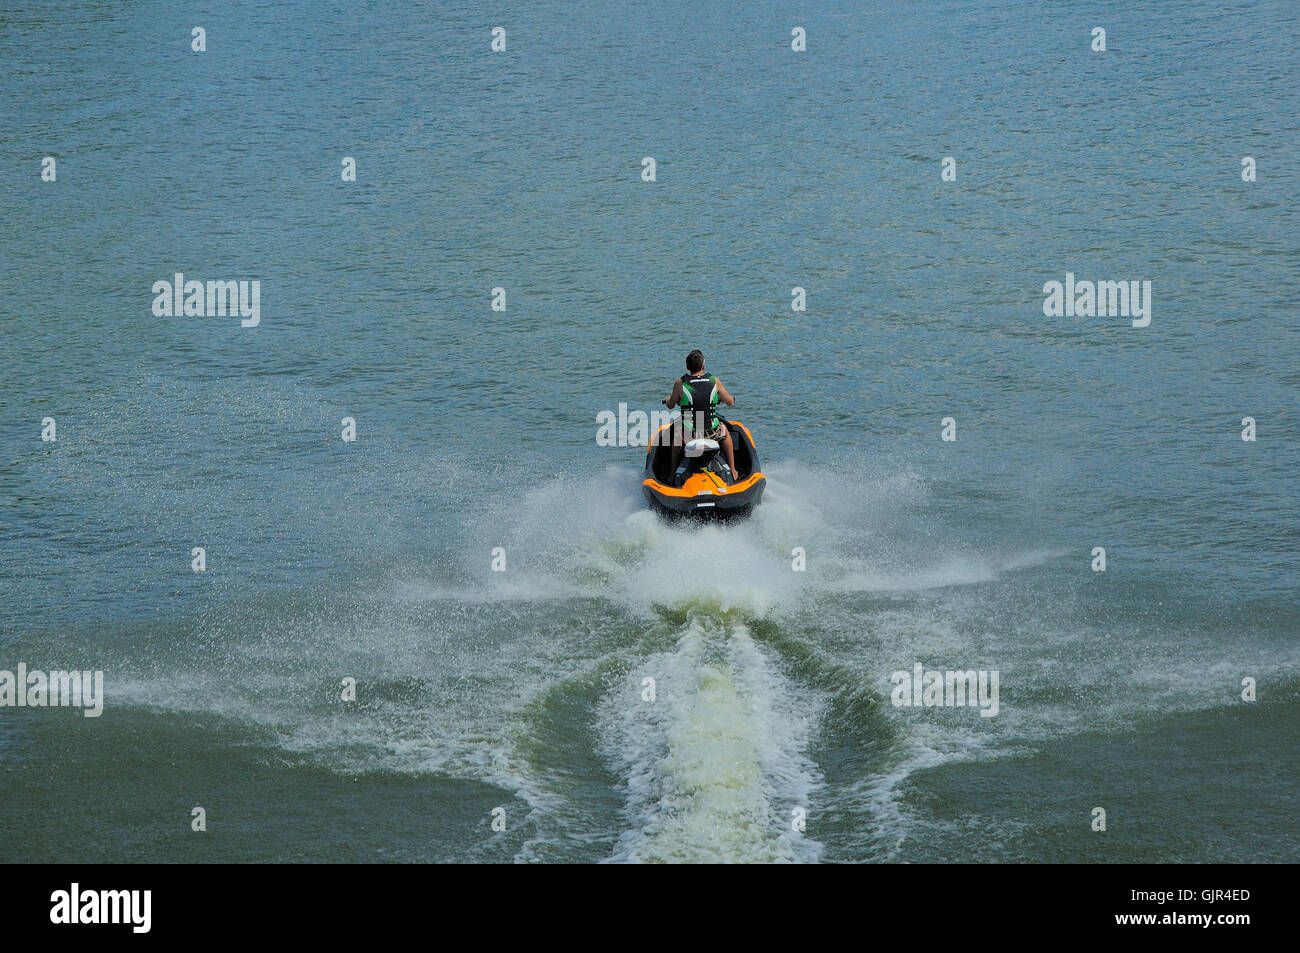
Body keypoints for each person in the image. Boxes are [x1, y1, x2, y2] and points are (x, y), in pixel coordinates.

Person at [664, 349, 736, 482]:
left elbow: (671, 404)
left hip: (689, 434)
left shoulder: (680, 383)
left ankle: (672, 471)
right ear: (703, 366)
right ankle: (733, 469)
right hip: (712, 432)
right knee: (724, 431)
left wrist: (668, 399)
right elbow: (730, 401)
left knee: (676, 438)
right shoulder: (714, 380)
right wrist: (730, 398)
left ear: (687, 367)